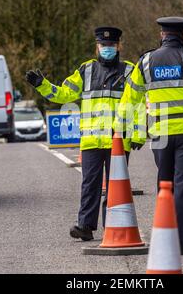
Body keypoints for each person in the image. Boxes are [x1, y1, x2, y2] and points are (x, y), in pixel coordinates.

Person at [114, 17, 183, 255]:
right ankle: (180, 241)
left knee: (165, 187)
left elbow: (130, 99)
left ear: (162, 36)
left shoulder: (145, 62)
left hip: (160, 135)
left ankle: (166, 237)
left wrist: (121, 133)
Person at [25, 27, 145, 241]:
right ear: (96, 47)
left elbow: (139, 103)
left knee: (116, 185)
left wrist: (138, 133)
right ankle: (85, 226)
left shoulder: (129, 71)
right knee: (90, 183)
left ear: (118, 46)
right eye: (103, 46)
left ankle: (113, 226)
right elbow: (64, 94)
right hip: (91, 140)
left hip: (118, 139)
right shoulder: (86, 70)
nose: (106, 49)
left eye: (110, 46)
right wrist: (42, 85)